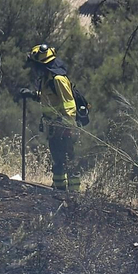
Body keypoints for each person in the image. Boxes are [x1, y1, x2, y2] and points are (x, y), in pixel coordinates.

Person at [21, 44, 83, 192]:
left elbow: (69, 104)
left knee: (68, 160)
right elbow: (49, 99)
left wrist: (66, 127)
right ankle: (59, 191)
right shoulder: (47, 78)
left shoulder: (58, 79)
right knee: (58, 160)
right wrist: (31, 94)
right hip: (55, 127)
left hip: (64, 127)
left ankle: (74, 193)